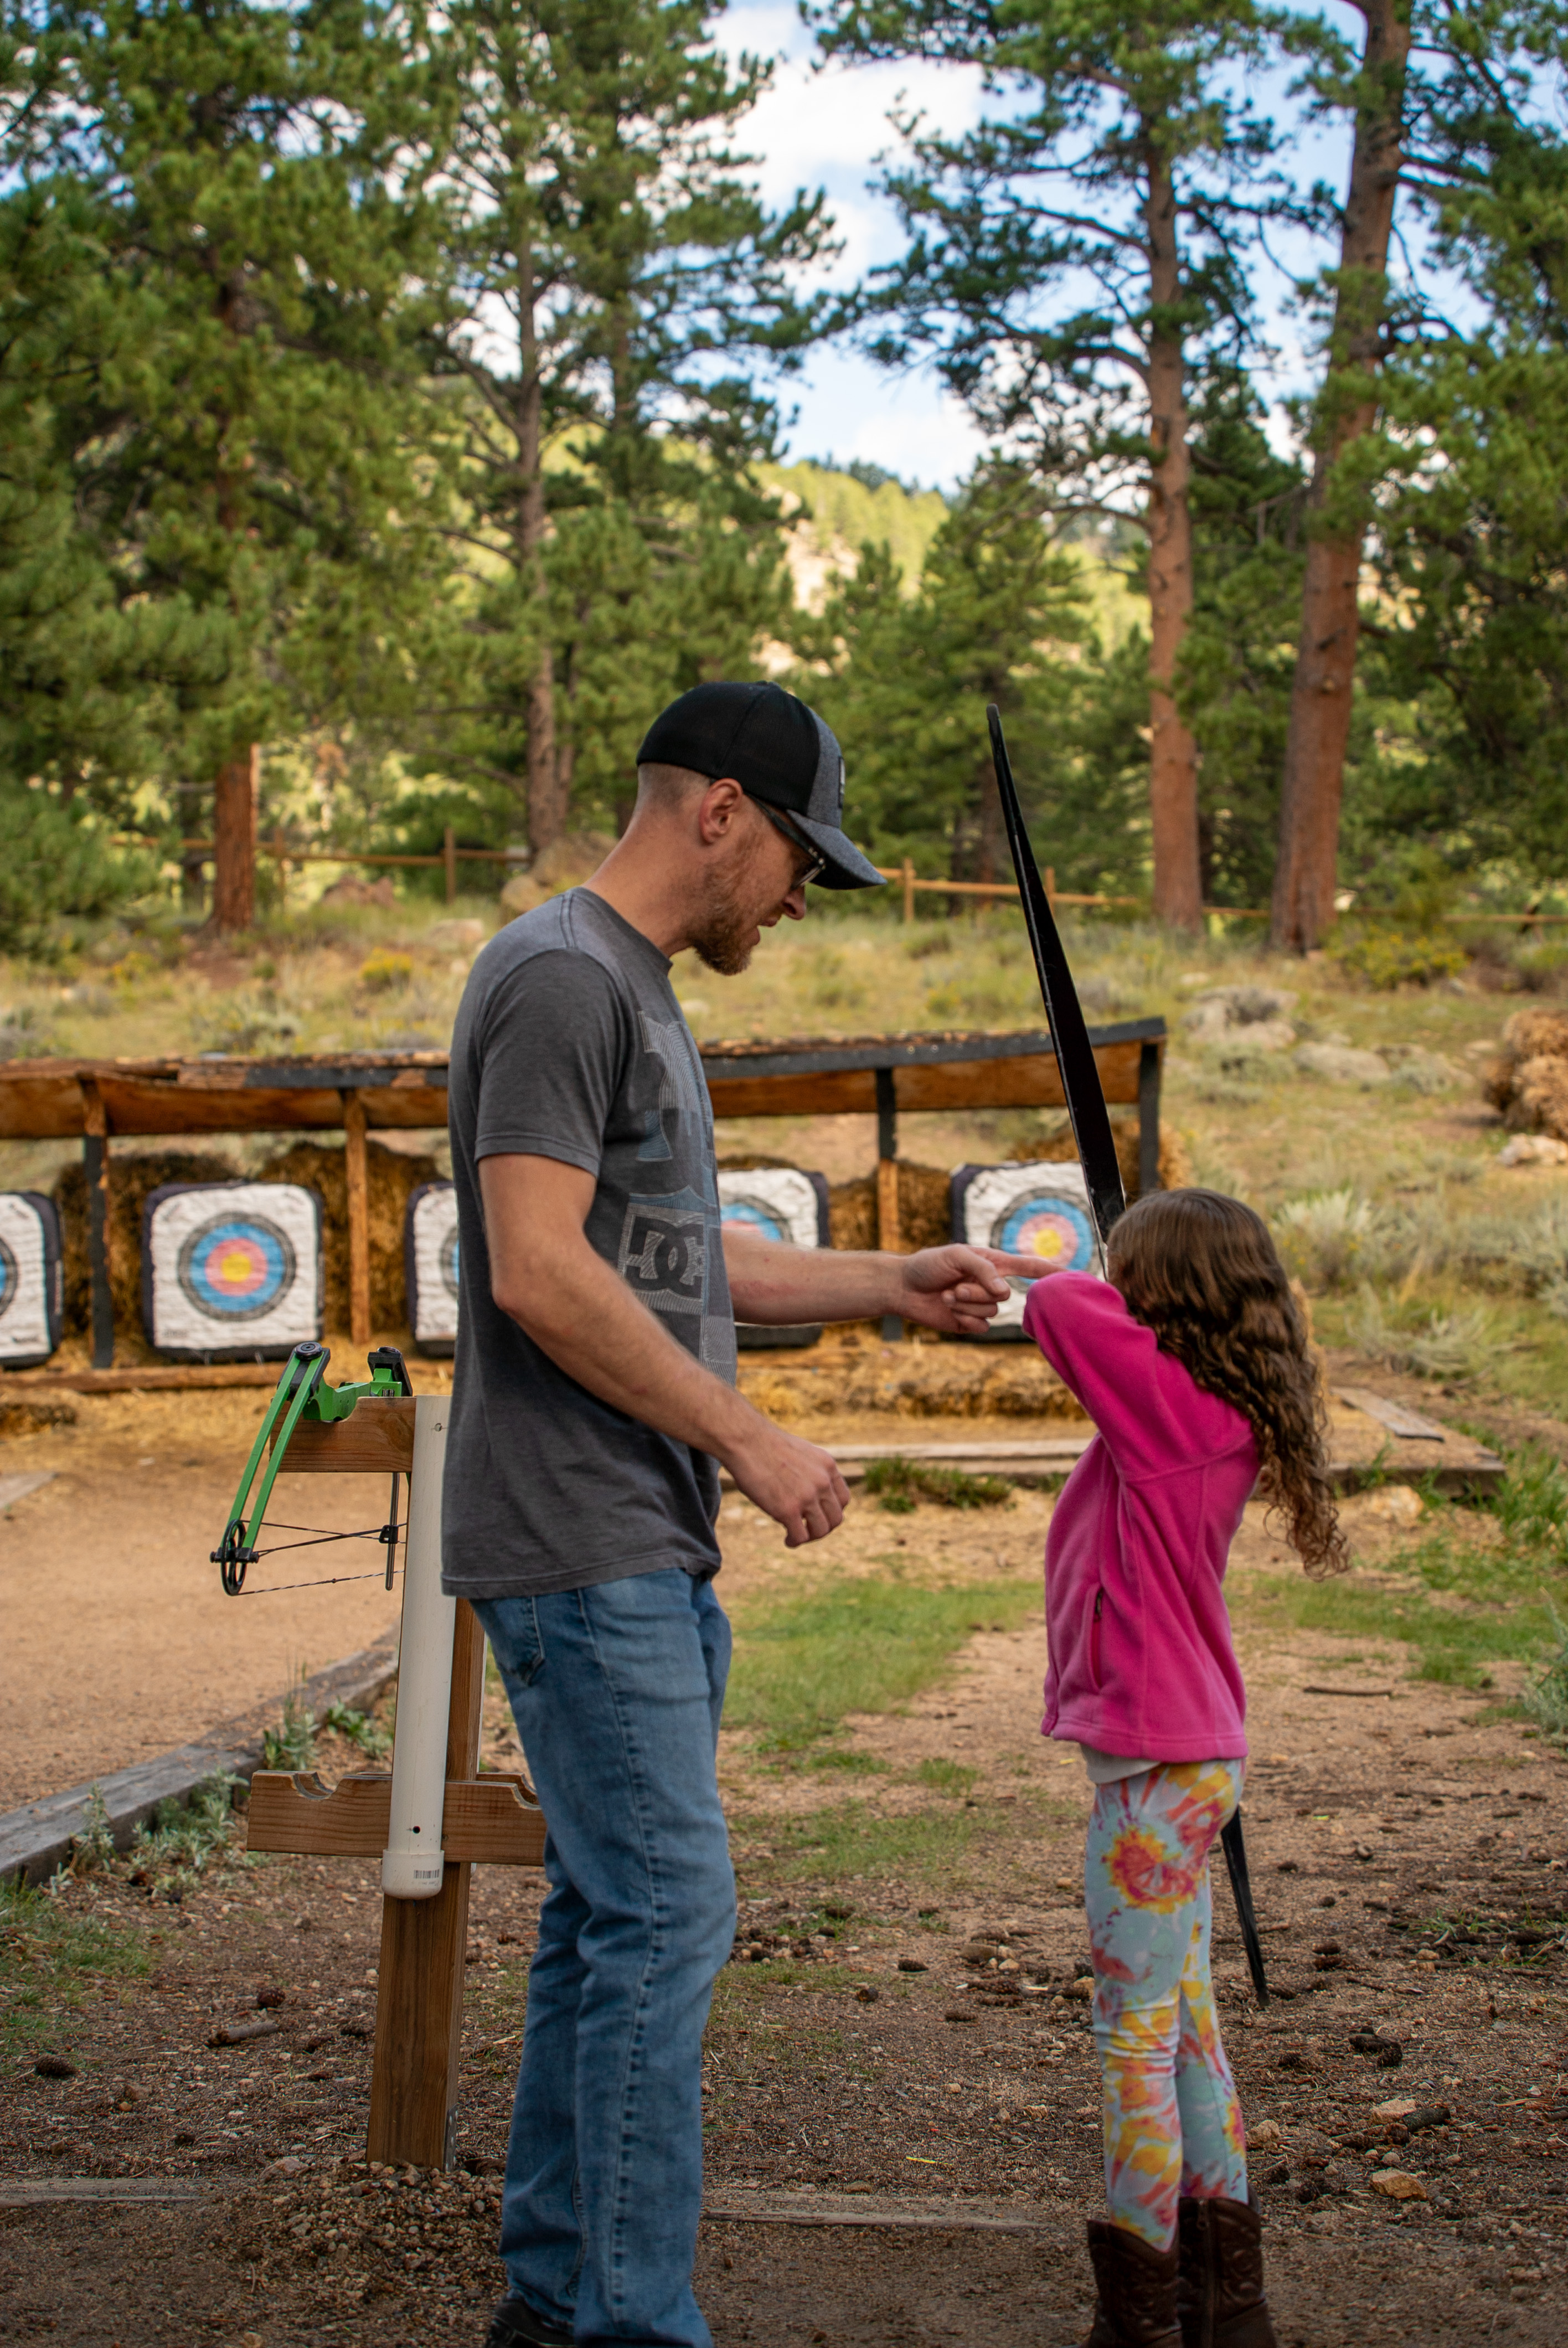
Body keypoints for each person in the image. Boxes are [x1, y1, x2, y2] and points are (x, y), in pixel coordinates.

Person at [441, 679, 1044, 2348]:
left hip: (626, 1530)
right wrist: (752, 1442)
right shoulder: (567, 979)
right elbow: (538, 1271)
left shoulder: (619, 982)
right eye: (799, 863)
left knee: (607, 1920)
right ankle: (626, 2325)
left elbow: (669, 1262)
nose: (799, 900)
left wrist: (886, 1285)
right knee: (669, 1914)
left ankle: (560, 2307)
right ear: (720, 812)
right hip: (584, 1530)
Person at [1022, 1188, 1347, 2348]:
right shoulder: (1200, 1408)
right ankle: (1226, 2304)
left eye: (1131, 1270)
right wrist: (1138, 1272)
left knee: (1133, 2035)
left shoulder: (1170, 1406)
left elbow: (1057, 1299)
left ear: (1161, 1292)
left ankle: (1142, 2317)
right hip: (1183, 1756)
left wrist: (1101, 1272)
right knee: (1185, 2026)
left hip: (1160, 1768)